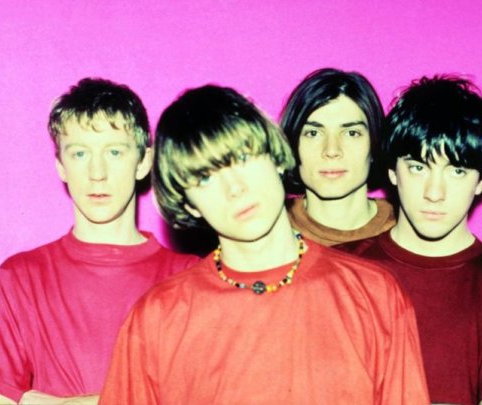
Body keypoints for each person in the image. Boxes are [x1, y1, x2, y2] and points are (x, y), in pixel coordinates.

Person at [99, 85, 430, 404]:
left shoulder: (373, 294)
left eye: (242, 158)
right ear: (189, 205)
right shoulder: (157, 318)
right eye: (205, 178)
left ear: (274, 156)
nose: (234, 188)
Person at [338, 76, 482, 404]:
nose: (434, 193)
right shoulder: (338, 271)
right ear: (393, 170)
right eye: (418, 167)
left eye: (457, 171)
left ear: (481, 181)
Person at [0, 78, 199, 405]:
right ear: (61, 166)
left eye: (114, 152)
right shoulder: (22, 276)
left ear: (143, 161)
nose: (97, 172)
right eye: (80, 153)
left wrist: (52, 403)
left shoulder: (191, 276)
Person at [280, 68, 395, 246]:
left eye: (351, 133)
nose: (332, 150)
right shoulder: (270, 231)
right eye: (313, 133)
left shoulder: (406, 229)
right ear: (292, 144)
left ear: (374, 144)